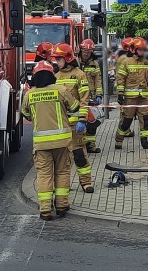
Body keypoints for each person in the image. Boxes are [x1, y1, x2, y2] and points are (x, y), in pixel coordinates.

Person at [21, 61, 77, 221]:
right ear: (52, 75)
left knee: (44, 175)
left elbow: (25, 113)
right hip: (62, 142)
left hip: (41, 144)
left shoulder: (30, 94)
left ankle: (45, 209)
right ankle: (61, 206)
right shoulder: (60, 90)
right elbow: (74, 106)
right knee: (62, 172)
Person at [52, 43, 94, 193]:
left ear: (68, 58)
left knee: (79, 155)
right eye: (56, 59)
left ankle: (86, 182)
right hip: (60, 125)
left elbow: (84, 99)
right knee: (63, 159)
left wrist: (82, 119)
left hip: (76, 124)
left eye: (59, 58)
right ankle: (65, 184)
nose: (56, 61)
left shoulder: (79, 75)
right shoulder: (55, 77)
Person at [116, 37, 148, 150]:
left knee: (146, 120)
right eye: (140, 49)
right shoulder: (126, 62)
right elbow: (120, 78)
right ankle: (119, 140)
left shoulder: (146, 62)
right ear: (134, 49)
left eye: (143, 49)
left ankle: (147, 142)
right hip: (130, 98)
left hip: (143, 98)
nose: (142, 51)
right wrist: (120, 94)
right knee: (126, 121)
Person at [77, 39, 102, 154]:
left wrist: (99, 94)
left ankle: (91, 145)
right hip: (79, 97)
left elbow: (98, 80)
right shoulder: (76, 62)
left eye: (88, 52)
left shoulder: (94, 64)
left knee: (92, 122)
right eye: (84, 51)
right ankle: (80, 145)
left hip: (91, 97)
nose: (86, 54)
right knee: (80, 121)